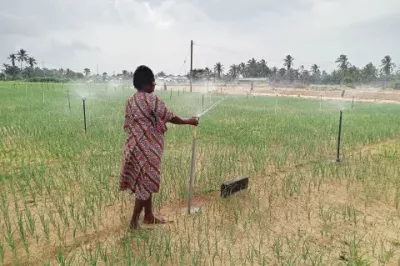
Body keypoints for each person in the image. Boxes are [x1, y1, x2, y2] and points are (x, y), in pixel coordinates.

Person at [120, 65, 198, 230]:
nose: (155, 84)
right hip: (146, 150)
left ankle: (148, 216)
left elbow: (128, 124)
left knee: (144, 182)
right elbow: (170, 116)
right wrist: (188, 121)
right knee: (146, 183)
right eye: (153, 81)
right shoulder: (151, 99)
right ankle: (134, 221)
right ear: (147, 84)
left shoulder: (131, 100)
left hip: (133, 148)